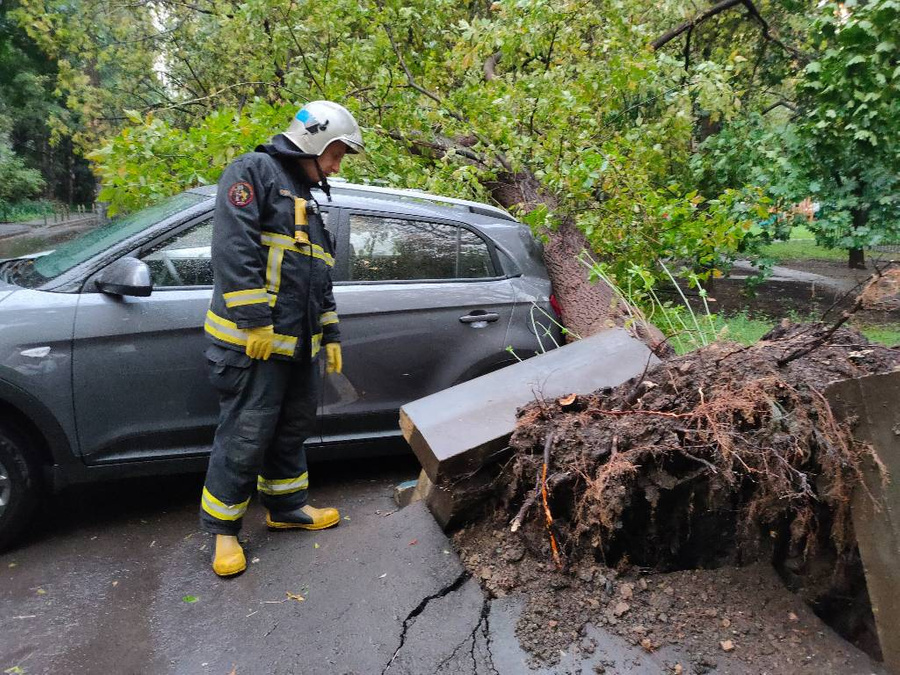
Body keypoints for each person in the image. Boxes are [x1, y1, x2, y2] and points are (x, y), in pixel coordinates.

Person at [199, 100, 364, 577]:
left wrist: (329, 332)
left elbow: (318, 276)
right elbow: (234, 247)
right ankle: (224, 531)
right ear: (312, 141)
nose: (335, 166)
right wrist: (253, 321)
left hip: (296, 346)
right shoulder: (252, 172)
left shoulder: (307, 199)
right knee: (245, 435)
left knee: (291, 429)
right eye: (335, 154)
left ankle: (286, 507)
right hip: (255, 346)